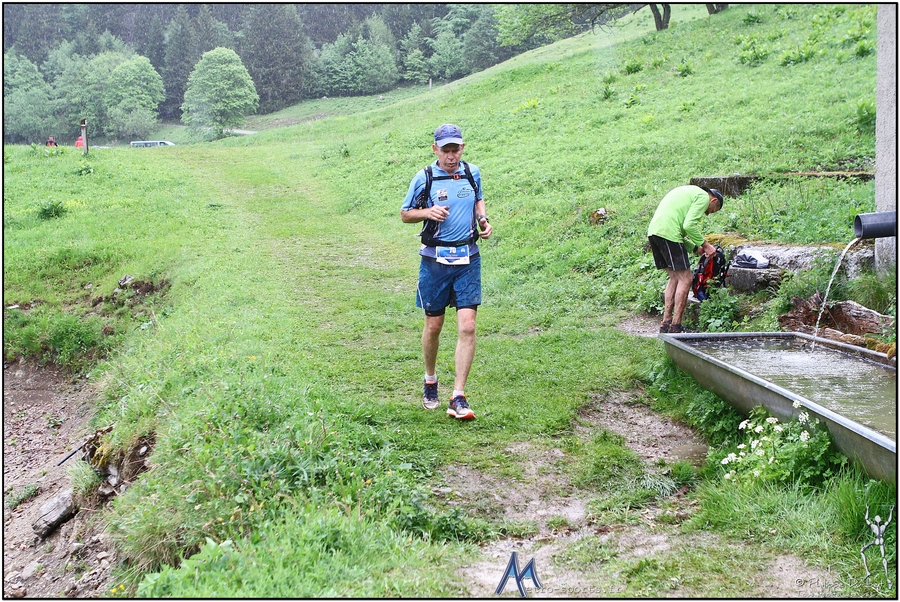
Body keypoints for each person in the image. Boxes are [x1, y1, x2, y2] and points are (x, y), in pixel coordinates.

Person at [401, 124, 493, 420]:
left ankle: (458, 395)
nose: (451, 156)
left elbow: (478, 199)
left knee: (468, 326)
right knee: (434, 326)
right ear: (435, 150)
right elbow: (405, 214)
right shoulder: (425, 177)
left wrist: (483, 220)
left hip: (468, 257)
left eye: (456, 150)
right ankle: (430, 381)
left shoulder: (471, 172)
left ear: (462, 148)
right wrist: (427, 212)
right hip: (435, 260)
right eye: (446, 150)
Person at [647, 184, 723, 333]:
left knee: (675, 277)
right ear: (713, 200)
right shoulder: (703, 197)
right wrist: (706, 245)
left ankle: (666, 323)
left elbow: (680, 228)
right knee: (686, 279)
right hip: (668, 232)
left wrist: (695, 248)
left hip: (655, 232)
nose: (708, 214)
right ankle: (676, 326)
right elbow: (689, 226)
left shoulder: (690, 192)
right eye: (713, 210)